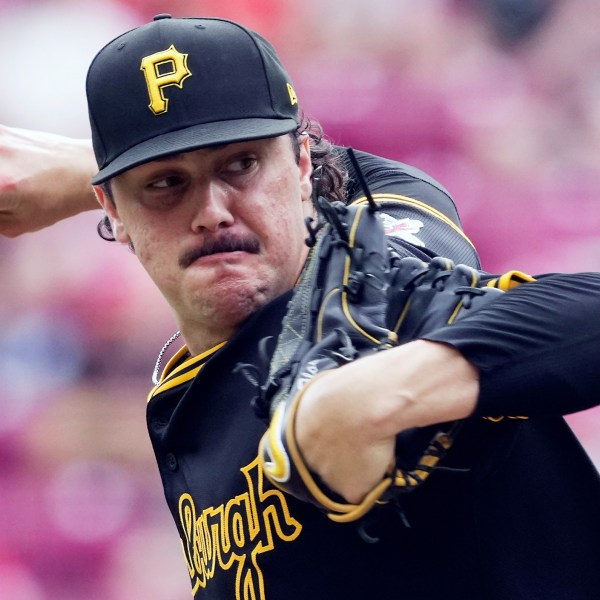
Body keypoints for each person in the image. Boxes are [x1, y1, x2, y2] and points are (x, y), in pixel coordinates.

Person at [2, 14, 600, 600]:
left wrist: (384, 390)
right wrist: (93, 164)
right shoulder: (392, 216)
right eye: (165, 183)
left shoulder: (387, 312)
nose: (212, 209)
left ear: (303, 165)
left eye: (241, 164)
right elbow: (388, 182)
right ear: (111, 210)